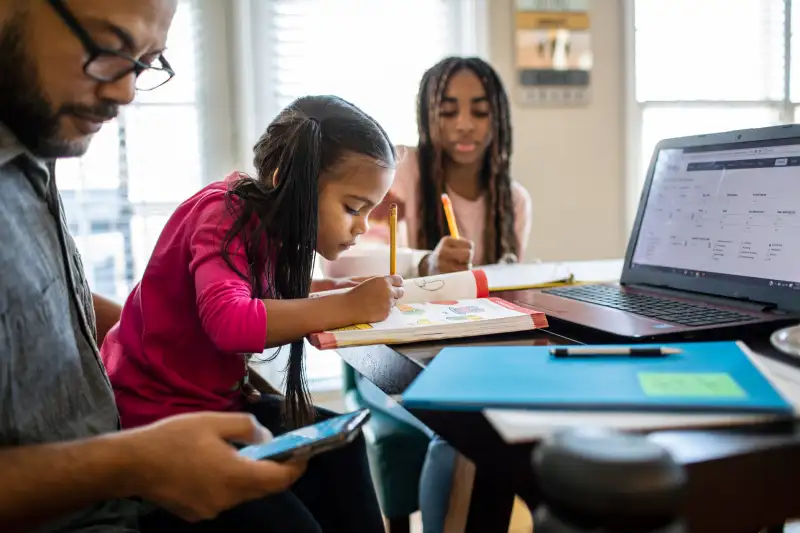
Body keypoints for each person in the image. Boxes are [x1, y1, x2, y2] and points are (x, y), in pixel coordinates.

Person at [0, 1, 308, 532]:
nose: (125, 92)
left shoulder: (30, 143)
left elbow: (41, 308)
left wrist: (175, 355)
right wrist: (134, 461)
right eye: (112, 48)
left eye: (147, 62)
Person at [100, 94, 402, 533]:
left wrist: (334, 292)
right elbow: (230, 322)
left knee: (343, 441)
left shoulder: (267, 227)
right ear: (287, 182)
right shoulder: (222, 212)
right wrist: (345, 306)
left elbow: (263, 295)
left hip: (216, 406)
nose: (361, 226)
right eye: (353, 208)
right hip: (159, 423)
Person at [325, 56, 533, 532]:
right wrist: (427, 264)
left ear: (498, 118)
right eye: (447, 109)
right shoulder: (400, 174)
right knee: (466, 435)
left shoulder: (513, 200)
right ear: (427, 114)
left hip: (473, 360)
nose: (464, 125)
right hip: (389, 361)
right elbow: (341, 260)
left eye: (480, 111)